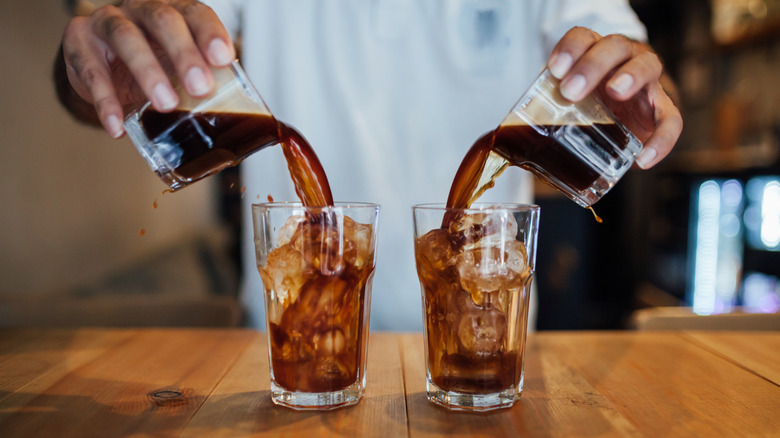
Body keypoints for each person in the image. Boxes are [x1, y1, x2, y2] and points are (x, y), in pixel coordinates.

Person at [56, 0, 682, 331]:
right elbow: (115, 65)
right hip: (282, 349)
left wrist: (639, 84)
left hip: (487, 347)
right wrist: (95, 71)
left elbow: (635, 64)